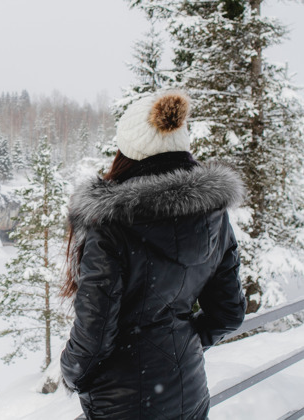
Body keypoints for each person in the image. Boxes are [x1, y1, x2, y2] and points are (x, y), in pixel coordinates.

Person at [60, 91, 247, 420]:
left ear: (127, 151)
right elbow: (229, 313)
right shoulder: (213, 215)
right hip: (188, 391)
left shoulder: (111, 224)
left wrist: (72, 374)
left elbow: (95, 332)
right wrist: (183, 342)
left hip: (124, 402)